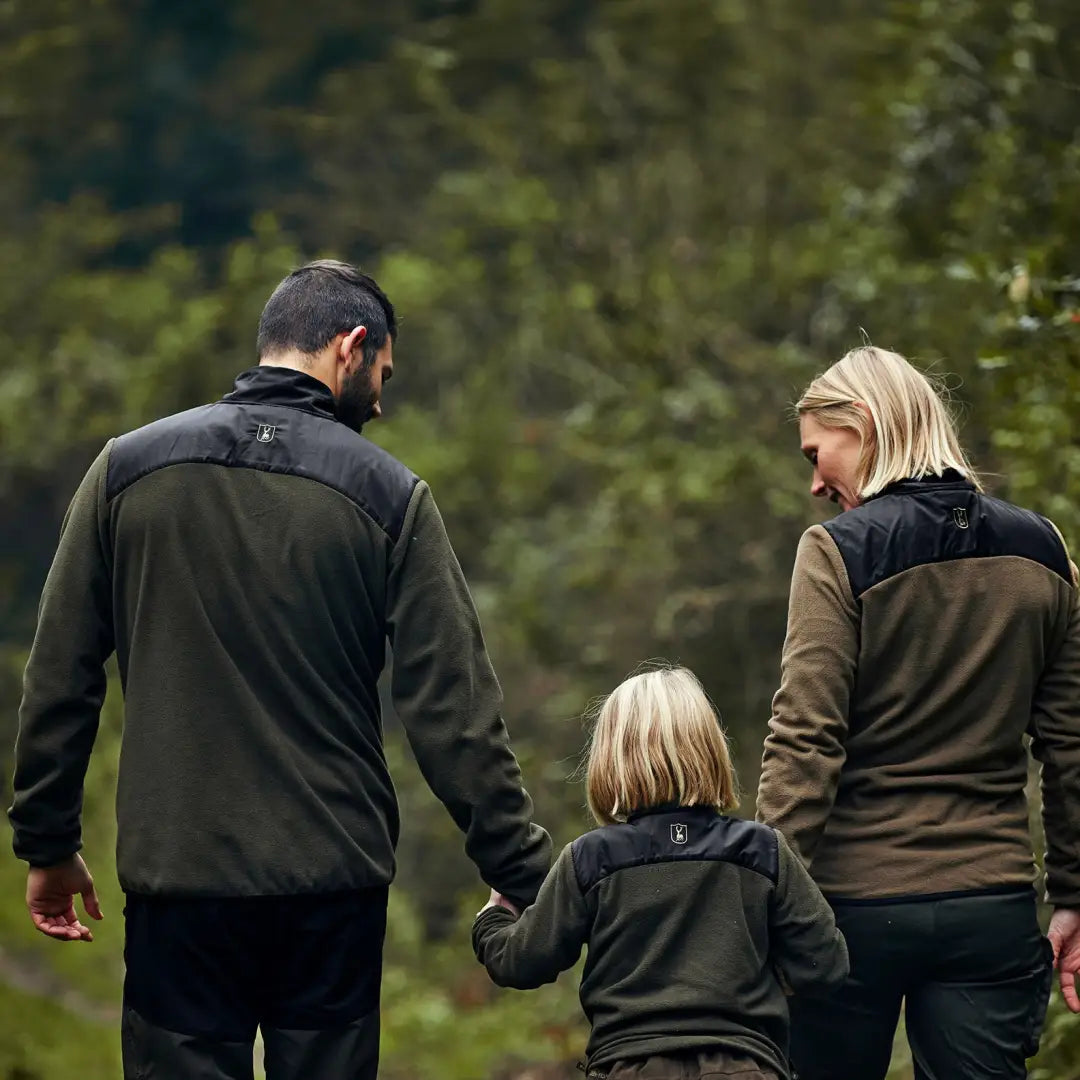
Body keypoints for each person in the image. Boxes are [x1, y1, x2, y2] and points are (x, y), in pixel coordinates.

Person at [7, 259, 552, 1080]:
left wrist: (47, 842)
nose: (381, 398)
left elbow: (60, 675)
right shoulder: (391, 497)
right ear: (352, 346)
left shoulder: (126, 471)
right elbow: (455, 716)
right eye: (384, 375)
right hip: (330, 888)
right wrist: (524, 873)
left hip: (179, 879)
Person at [757, 345, 1080, 1080]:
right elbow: (1070, 745)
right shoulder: (1045, 551)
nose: (814, 483)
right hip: (990, 906)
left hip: (850, 914)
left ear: (862, 424)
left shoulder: (837, 552)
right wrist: (1074, 892)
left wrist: (768, 903)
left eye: (816, 452)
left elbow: (805, 740)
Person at [473, 665, 848, 1080]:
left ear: (612, 757)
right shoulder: (762, 851)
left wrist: (493, 919)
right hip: (746, 1066)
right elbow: (825, 965)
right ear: (709, 749)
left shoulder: (591, 859)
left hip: (630, 1067)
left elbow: (521, 963)